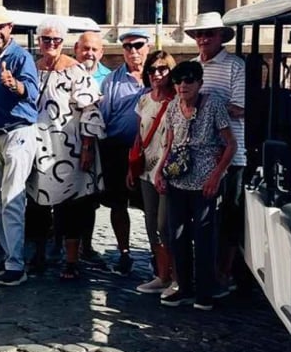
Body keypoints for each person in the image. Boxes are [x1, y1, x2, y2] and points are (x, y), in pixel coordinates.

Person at [153, 60, 236, 310]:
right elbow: (168, 143)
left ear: (199, 82)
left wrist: (216, 176)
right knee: (177, 236)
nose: (182, 86)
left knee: (203, 237)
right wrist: (160, 172)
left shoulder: (212, 104)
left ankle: (205, 291)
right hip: (178, 179)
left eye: (188, 80)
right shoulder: (172, 108)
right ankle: (184, 288)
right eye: (178, 81)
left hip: (204, 182)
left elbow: (230, 144)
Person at [25, 20, 104, 281]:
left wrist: (87, 147)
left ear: (63, 42)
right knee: (36, 206)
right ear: (39, 42)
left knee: (73, 207)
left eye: (56, 40)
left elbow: (90, 110)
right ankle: (38, 255)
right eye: (46, 40)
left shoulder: (75, 70)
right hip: (39, 149)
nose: (51, 45)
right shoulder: (32, 69)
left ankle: (71, 261)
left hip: (69, 149)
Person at [186, 11, 247, 297]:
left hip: (231, 153)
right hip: (198, 155)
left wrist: (208, 105)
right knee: (201, 216)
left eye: (209, 33)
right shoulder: (191, 67)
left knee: (229, 215)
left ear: (221, 36)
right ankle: (204, 270)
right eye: (199, 34)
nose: (203, 38)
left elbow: (241, 108)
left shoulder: (235, 66)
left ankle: (224, 272)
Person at [0, 6, 41, 286]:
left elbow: (31, 92)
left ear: (10, 28)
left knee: (13, 199)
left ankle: (16, 265)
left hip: (18, 134)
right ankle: (9, 257)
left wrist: (14, 84)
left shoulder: (20, 57)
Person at [89, 29, 148, 275]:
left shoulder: (159, 75)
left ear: (148, 46)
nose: (132, 51)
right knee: (118, 204)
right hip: (119, 150)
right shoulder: (112, 80)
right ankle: (124, 252)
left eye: (137, 45)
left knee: (150, 206)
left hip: (150, 153)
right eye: (127, 46)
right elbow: (105, 119)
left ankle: (158, 252)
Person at [132, 49, 177, 295]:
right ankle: (161, 275)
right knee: (150, 223)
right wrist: (133, 164)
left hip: (166, 171)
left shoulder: (176, 101)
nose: (156, 74)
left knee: (165, 225)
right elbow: (139, 134)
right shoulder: (144, 100)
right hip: (146, 170)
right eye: (152, 70)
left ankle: (175, 277)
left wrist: (163, 169)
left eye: (162, 69)